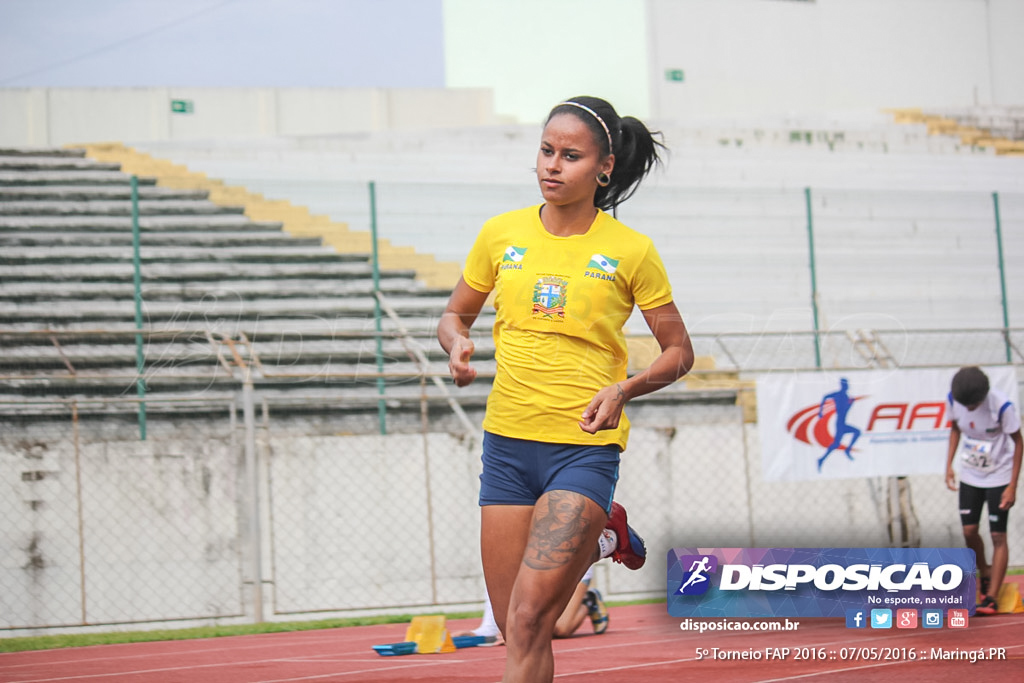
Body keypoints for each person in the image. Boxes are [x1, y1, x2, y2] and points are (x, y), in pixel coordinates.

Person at [437, 96, 693, 683]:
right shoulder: (500, 233)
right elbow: (454, 314)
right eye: (546, 151)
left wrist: (625, 390)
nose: (552, 165)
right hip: (506, 448)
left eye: (570, 155)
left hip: (582, 448)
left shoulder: (631, 251)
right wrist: (456, 342)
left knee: (530, 619)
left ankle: (600, 530)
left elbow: (680, 353)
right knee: (514, 627)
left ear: (603, 168)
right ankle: (605, 539)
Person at [944, 366, 1022, 615]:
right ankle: (985, 570)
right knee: (969, 531)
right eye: (964, 405)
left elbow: (1018, 442)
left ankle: (991, 597)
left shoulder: (1002, 406)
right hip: (971, 474)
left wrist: (1012, 485)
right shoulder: (955, 401)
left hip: (999, 476)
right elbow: (955, 428)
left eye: (972, 405)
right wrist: (948, 465)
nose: (968, 410)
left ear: (983, 398)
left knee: (998, 535)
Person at [460, 566, 609, 646]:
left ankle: (588, 601)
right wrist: (487, 629)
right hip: (536, 571)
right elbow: (499, 578)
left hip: (572, 561)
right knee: (539, 627)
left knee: (561, 629)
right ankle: (584, 601)